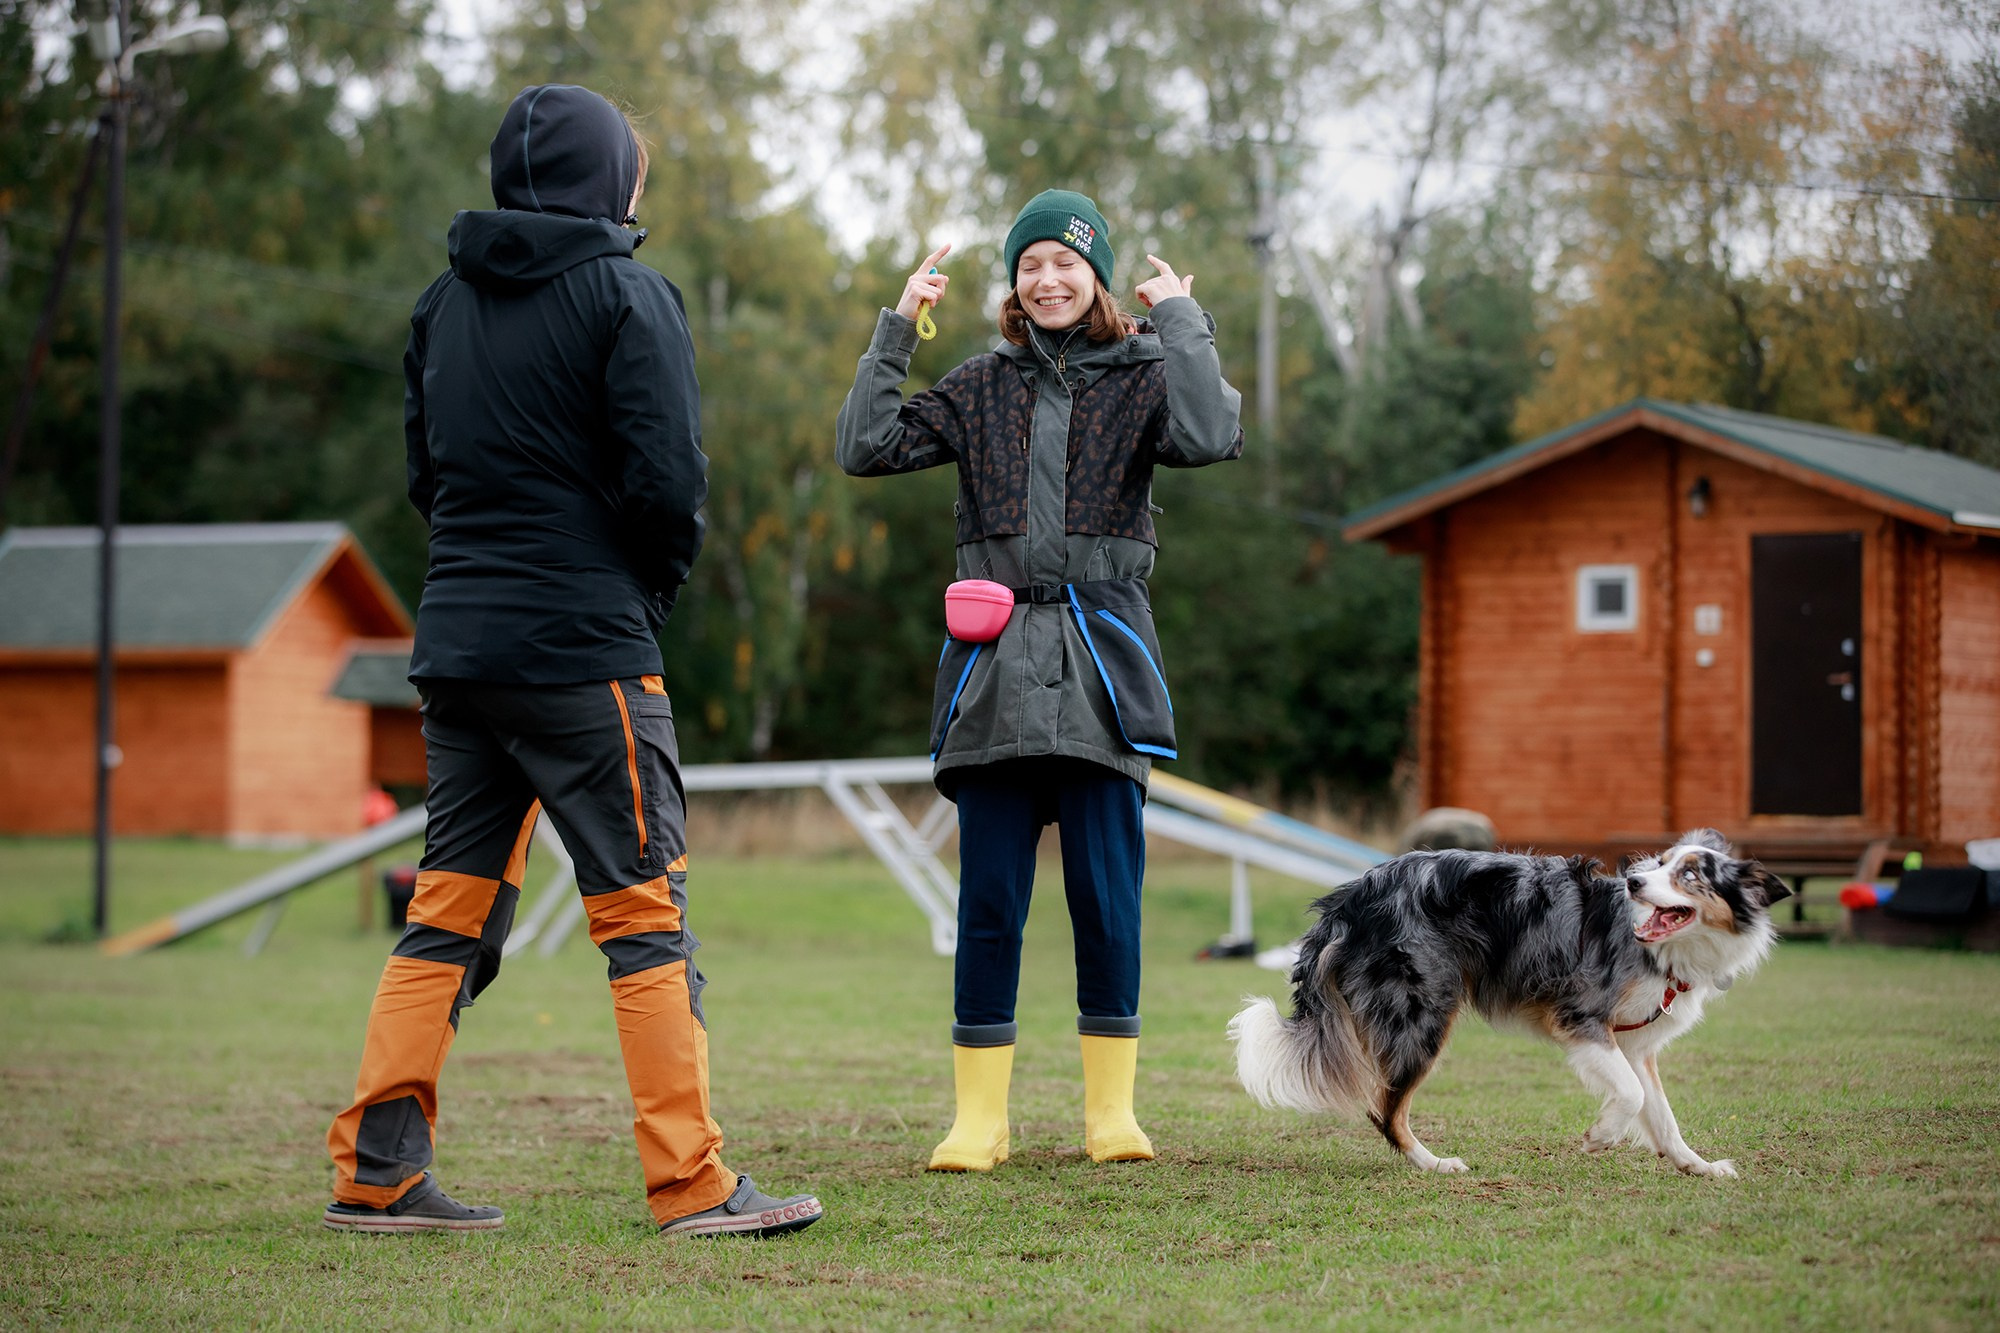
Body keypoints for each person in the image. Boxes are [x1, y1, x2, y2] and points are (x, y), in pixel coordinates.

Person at [322, 84, 821, 1238]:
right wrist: (643, 594)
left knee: (446, 910)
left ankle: (378, 1170)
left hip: (457, 648)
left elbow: (425, 478)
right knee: (644, 912)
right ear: (610, 182)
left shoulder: (440, 302)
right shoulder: (629, 292)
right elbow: (668, 481)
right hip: (585, 650)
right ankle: (690, 1180)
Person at [835, 189, 1243, 1170]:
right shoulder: (978, 383)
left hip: (1106, 664)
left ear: (1095, 276)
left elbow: (1207, 434)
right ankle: (980, 1119)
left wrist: (1182, 319)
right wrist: (897, 326)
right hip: (993, 674)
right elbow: (864, 444)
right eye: (1029, 266)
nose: (1047, 279)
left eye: (1065, 262)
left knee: (1108, 899)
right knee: (988, 903)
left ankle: (1111, 1115)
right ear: (1013, 284)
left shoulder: (1148, 371)